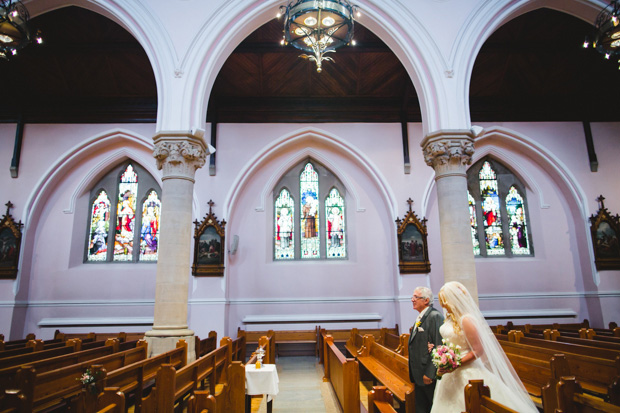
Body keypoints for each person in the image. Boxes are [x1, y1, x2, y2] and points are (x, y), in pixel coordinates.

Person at [430, 281, 537, 412]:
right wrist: (442, 357)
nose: (444, 306)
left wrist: (456, 363)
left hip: (467, 371)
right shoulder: (449, 319)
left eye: (445, 302)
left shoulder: (466, 320)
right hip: (450, 374)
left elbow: (478, 350)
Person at [408, 286, 444, 413]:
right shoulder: (421, 316)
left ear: (426, 300)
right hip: (418, 372)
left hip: (427, 374)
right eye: (413, 297)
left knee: (431, 407)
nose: (412, 300)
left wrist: (430, 372)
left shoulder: (434, 316)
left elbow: (438, 345)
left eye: (416, 297)